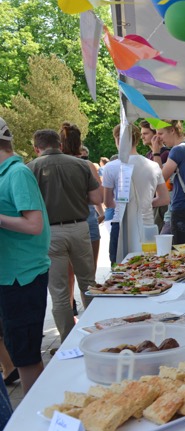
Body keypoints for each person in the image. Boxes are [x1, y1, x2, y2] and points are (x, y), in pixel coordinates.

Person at [28, 129, 101, 343]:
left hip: (49, 232)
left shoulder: (31, 168)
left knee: (59, 291)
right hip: (79, 227)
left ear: (36, 148)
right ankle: (96, 332)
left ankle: (68, 341)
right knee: (88, 283)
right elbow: (96, 197)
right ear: (60, 144)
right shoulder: (81, 164)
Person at [0, 117, 50, 393]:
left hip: (22, 277)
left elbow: (34, 224)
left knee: (26, 353)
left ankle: (36, 416)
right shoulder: (7, 173)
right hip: (12, 276)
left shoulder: (16, 173)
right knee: (20, 349)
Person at [102, 124, 169, 263]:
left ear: (117, 140)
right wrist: (144, 203)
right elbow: (164, 199)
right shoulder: (153, 166)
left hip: (120, 223)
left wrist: (128, 205)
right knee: (148, 268)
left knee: (119, 269)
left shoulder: (111, 166)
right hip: (147, 224)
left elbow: (107, 202)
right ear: (137, 140)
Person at [60, 123, 104, 312]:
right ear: (79, 142)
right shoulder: (86, 165)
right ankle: (91, 314)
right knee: (88, 274)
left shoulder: (55, 164)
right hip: (87, 219)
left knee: (67, 276)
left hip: (62, 222)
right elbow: (98, 197)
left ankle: (71, 311)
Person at [149, 120, 185, 246]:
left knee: (181, 253)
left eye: (161, 134)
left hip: (181, 209)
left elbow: (160, 177)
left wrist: (156, 152)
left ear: (172, 130)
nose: (159, 139)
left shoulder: (177, 150)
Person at [140, 120, 170, 233]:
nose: (142, 137)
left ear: (156, 135)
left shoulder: (166, 154)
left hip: (162, 204)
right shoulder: (148, 155)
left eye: (145, 133)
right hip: (151, 200)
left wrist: (156, 152)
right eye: (142, 134)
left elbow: (161, 178)